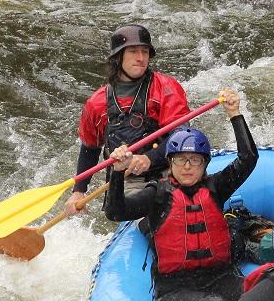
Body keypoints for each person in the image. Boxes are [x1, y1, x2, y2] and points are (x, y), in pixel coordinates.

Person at [103, 89, 254, 301]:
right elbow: (116, 212)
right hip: (174, 289)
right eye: (181, 160)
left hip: (220, 277)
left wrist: (235, 114)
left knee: (256, 299)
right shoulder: (157, 195)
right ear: (170, 163)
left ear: (205, 164)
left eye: (194, 160)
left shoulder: (216, 188)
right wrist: (117, 172)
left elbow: (248, 158)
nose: (187, 166)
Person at [65, 23, 190, 215]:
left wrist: (149, 158)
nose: (141, 58)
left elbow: (182, 137)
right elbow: (90, 149)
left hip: (170, 168)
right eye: (133, 51)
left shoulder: (165, 87)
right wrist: (79, 191)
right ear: (118, 57)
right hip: (128, 180)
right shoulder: (97, 103)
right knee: (126, 212)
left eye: (145, 52)